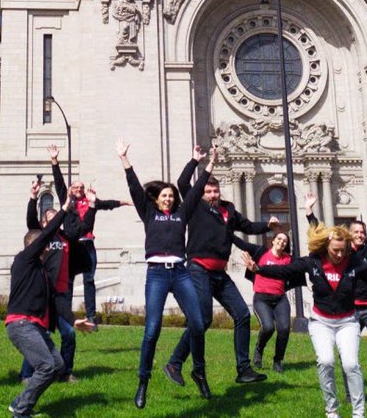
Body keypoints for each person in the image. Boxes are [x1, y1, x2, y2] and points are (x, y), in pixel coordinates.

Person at [245, 211, 367, 418]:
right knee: (326, 362)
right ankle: (332, 410)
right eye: (335, 251)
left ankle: (359, 413)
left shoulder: (354, 263)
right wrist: (259, 269)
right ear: (326, 247)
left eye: (343, 251)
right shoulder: (313, 261)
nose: (340, 255)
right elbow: (285, 271)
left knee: (351, 364)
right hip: (321, 322)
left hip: (347, 321)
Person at [115, 137, 215, 409]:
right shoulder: (149, 214)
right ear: (157, 201)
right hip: (157, 274)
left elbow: (194, 194)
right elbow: (135, 189)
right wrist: (125, 160)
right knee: (152, 330)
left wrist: (205, 162)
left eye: (171, 195)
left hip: (180, 273)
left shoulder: (182, 214)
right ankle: (143, 382)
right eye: (165, 196)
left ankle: (199, 371)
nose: (169, 198)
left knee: (197, 323)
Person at [164, 145, 275, 387]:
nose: (213, 195)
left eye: (215, 191)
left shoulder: (229, 210)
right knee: (203, 319)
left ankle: (244, 369)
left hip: (219, 273)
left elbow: (247, 227)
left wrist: (269, 225)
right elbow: (182, 183)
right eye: (209, 191)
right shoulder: (196, 207)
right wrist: (195, 160)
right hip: (198, 268)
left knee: (242, 314)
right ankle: (175, 363)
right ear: (202, 194)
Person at [307, 188, 367, 412]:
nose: (360, 234)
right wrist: (310, 214)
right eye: (356, 232)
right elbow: (322, 238)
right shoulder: (343, 254)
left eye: (362, 231)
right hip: (349, 310)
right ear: (349, 236)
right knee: (347, 356)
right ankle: (351, 395)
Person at [6, 193, 94, 417]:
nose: (47, 248)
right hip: (22, 324)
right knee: (46, 366)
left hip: (35, 326)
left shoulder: (43, 273)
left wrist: (74, 320)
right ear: (32, 245)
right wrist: (64, 210)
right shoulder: (24, 260)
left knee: (57, 365)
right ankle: (21, 408)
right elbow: (45, 236)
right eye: (43, 245)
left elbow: (57, 300)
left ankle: (21, 402)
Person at [21, 148, 99, 383]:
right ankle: (27, 374)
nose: (54, 221)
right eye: (50, 218)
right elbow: (30, 221)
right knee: (39, 335)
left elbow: (84, 228)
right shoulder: (42, 238)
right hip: (42, 295)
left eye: (57, 217)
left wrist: (93, 206)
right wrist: (34, 198)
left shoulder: (67, 238)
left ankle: (64, 373)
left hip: (62, 296)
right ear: (44, 223)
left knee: (69, 334)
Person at [63, 161, 130, 327]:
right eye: (75, 187)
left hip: (87, 245)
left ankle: (91, 316)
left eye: (81, 187)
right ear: (70, 190)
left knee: (89, 280)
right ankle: (66, 315)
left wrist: (124, 202)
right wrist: (55, 163)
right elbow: (59, 183)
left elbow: (107, 204)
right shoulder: (68, 204)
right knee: (69, 281)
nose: (78, 189)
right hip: (72, 246)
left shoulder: (90, 201)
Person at [233, 229, 301, 372]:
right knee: (268, 327)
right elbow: (242, 243)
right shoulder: (261, 252)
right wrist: (226, 231)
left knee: (283, 329)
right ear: (273, 240)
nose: (282, 242)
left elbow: (302, 265)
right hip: (261, 298)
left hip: (280, 298)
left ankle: (278, 360)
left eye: (285, 241)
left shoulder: (288, 259)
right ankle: (259, 348)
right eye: (279, 239)